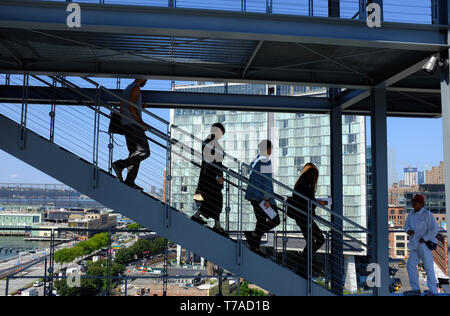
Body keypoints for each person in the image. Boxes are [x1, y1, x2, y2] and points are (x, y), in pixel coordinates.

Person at [286, 163, 326, 278]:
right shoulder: (305, 184)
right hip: (304, 217)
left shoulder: (301, 183)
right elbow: (307, 202)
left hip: (302, 217)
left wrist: (315, 202)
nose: (315, 178)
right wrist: (316, 202)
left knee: (312, 241)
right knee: (319, 239)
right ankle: (302, 264)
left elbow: (306, 200)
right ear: (311, 175)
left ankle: (303, 266)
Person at [112, 79, 152, 191]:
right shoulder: (136, 88)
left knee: (134, 154)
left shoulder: (127, 88)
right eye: (147, 79)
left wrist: (141, 107)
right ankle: (120, 164)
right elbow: (130, 108)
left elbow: (123, 107)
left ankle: (129, 182)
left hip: (126, 124)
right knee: (144, 152)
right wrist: (141, 123)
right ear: (143, 78)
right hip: (133, 125)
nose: (146, 81)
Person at [244, 140, 280, 255]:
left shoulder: (256, 160)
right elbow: (267, 181)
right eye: (271, 149)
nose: (271, 152)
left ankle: (255, 247)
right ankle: (253, 235)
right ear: (267, 149)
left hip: (253, 196)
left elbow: (247, 172)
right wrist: (267, 199)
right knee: (275, 220)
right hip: (262, 198)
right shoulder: (265, 161)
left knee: (261, 221)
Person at [191, 123, 228, 237]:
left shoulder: (210, 142)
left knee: (215, 201)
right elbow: (211, 162)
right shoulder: (210, 143)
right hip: (211, 178)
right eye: (221, 133)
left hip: (210, 176)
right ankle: (198, 216)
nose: (221, 135)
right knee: (216, 200)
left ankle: (216, 224)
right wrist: (217, 176)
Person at [404, 194, 440, 296]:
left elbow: (435, 229)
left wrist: (425, 238)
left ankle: (433, 291)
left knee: (428, 267)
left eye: (417, 202)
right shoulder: (411, 214)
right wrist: (408, 230)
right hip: (414, 244)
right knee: (410, 265)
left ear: (422, 204)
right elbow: (406, 225)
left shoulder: (427, 214)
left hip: (424, 244)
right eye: (414, 202)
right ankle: (415, 289)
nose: (414, 204)